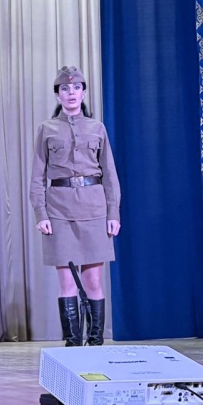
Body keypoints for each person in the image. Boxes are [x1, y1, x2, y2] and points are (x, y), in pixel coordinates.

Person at [29, 66, 121, 346]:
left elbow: (110, 174)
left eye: (77, 88)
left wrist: (113, 213)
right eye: (65, 89)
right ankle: (72, 345)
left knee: (93, 282)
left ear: (83, 93)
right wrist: (41, 213)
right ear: (57, 95)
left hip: (94, 210)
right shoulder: (47, 129)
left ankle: (95, 344)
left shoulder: (97, 128)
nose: (71, 93)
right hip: (59, 212)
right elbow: (37, 176)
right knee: (67, 283)